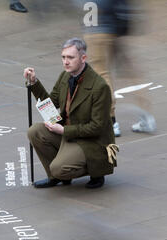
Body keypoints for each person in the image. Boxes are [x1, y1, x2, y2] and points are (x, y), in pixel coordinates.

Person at [24, 38, 117, 189]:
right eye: (63, 57)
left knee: (59, 168)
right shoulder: (65, 76)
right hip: (69, 134)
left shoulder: (100, 87)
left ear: (83, 58)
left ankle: (97, 170)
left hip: (90, 142)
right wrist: (34, 83)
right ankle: (55, 177)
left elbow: (97, 127)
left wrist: (64, 130)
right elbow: (51, 105)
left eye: (70, 57)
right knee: (35, 131)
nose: (66, 62)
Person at [81, 0, 156, 136]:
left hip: (96, 29)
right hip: (115, 28)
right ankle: (146, 116)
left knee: (102, 73)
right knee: (129, 69)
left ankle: (111, 121)